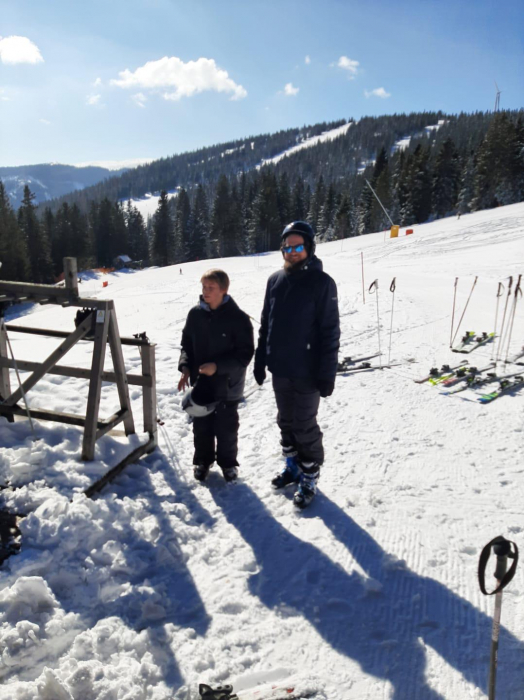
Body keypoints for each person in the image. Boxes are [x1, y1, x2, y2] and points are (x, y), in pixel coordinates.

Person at [254, 221, 340, 508]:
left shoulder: (322, 283)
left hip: (308, 372)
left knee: (304, 425)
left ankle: (310, 474)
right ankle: (292, 466)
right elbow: (266, 324)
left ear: (309, 248)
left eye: (298, 246)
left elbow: (330, 331)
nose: (291, 252)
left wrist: (327, 374)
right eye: (287, 247)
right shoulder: (275, 280)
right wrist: (260, 359)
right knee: (285, 421)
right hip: (280, 368)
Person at [178, 269, 254, 483]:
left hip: (228, 384)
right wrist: (185, 367)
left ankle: (228, 464)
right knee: (201, 425)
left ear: (224, 290)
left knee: (226, 427)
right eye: (203, 287)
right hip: (202, 383)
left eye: (211, 287)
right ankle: (203, 461)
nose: (205, 291)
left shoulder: (238, 318)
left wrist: (218, 367)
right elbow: (186, 344)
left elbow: (244, 354)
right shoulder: (195, 315)